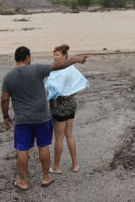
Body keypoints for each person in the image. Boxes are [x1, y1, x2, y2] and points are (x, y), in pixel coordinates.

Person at [1, 46, 88, 191]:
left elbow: (4, 99)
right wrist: (77, 60)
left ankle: (23, 181)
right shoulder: (37, 69)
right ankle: (46, 177)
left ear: (16, 59)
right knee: (43, 146)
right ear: (28, 57)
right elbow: (58, 65)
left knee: (22, 149)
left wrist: (5, 116)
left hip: (22, 119)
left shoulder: (8, 77)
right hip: (42, 117)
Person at [47, 44, 88, 174]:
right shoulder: (71, 68)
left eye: (57, 55)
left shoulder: (58, 70)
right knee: (69, 134)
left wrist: (47, 98)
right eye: (54, 55)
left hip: (59, 106)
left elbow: (56, 89)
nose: (55, 57)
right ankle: (75, 165)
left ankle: (56, 167)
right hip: (71, 104)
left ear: (64, 56)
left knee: (59, 137)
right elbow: (80, 81)